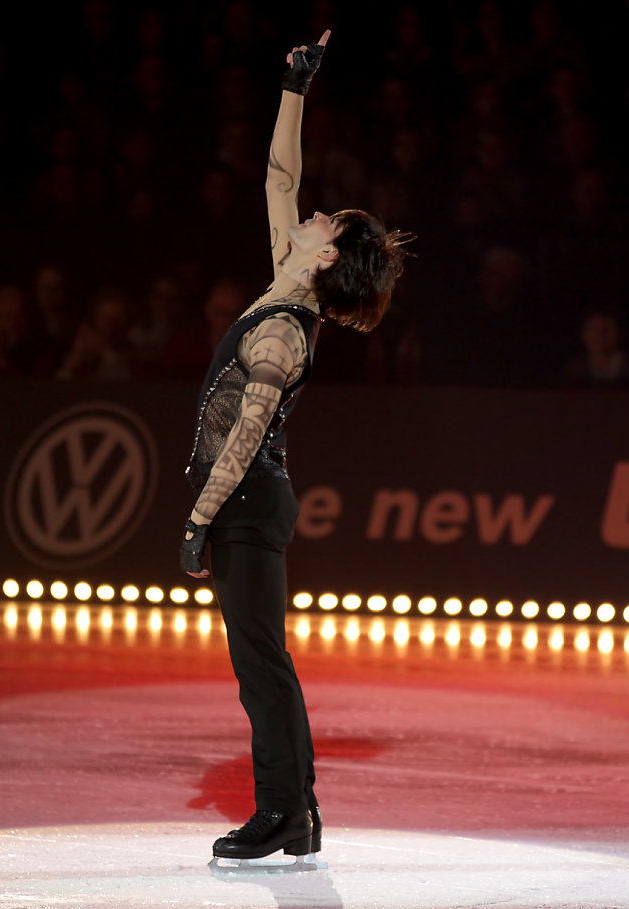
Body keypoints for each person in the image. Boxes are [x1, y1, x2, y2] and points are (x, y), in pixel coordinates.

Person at [180, 31, 408, 861]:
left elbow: (240, 440)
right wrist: (294, 88)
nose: (314, 212)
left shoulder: (281, 330)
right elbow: (280, 176)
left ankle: (284, 811)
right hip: (249, 501)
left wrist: (198, 520)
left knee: (262, 667)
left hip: (245, 500)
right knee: (261, 664)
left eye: (327, 222)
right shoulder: (287, 276)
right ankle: (293, 811)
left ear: (322, 259)